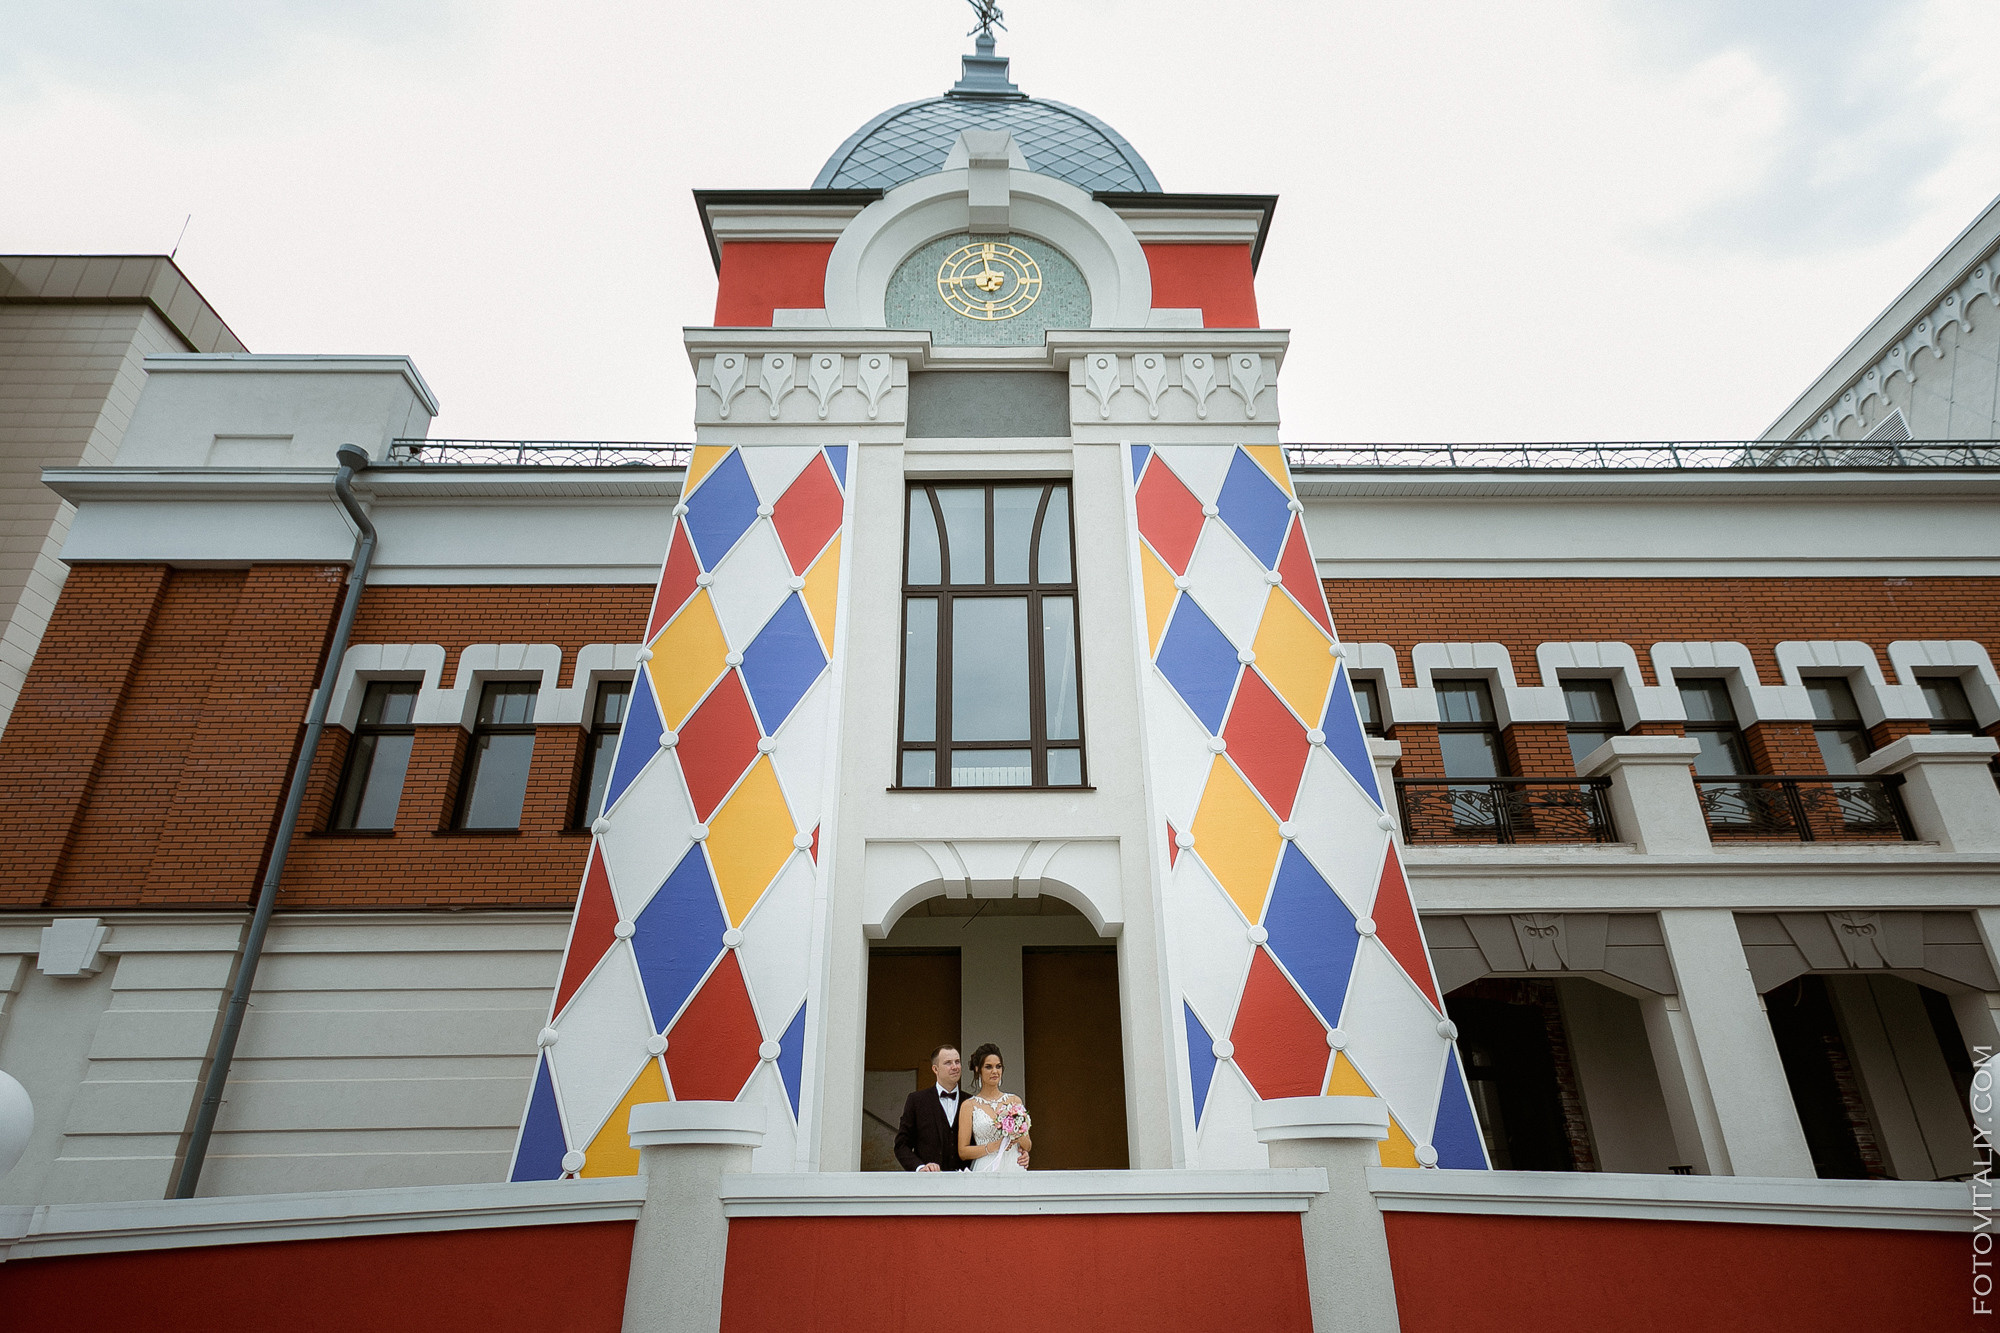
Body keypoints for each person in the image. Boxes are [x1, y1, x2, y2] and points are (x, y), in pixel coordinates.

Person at [894, 1044, 971, 1172]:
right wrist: (920, 1167)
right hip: (928, 1184)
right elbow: (901, 1145)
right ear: (935, 1069)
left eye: (957, 1062)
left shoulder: (972, 1102)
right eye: (948, 1063)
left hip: (967, 1184)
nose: (955, 1067)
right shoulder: (917, 1100)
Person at [957, 1043, 1032, 1172]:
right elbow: (963, 1151)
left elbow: (1028, 1145)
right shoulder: (969, 1106)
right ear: (977, 1069)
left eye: (998, 1066)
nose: (995, 1071)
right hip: (985, 1166)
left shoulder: (1014, 1100)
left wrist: (1017, 1133)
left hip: (1013, 1164)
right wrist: (995, 1146)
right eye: (988, 1067)